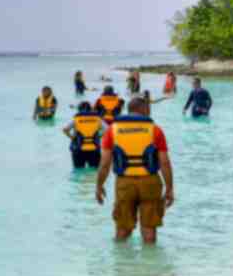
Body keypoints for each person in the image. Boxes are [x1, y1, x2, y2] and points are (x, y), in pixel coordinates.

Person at [96, 96, 173, 243]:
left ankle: (121, 264)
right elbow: (165, 163)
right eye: (149, 110)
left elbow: (105, 163)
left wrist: (99, 185)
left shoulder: (112, 130)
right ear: (144, 110)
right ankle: (150, 265)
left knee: (122, 229)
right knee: (149, 230)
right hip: (150, 182)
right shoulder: (155, 130)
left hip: (124, 183)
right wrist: (169, 188)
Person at [65, 102, 106, 170]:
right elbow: (108, 129)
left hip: (78, 150)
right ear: (91, 110)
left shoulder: (76, 119)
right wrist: (100, 136)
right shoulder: (98, 119)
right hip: (94, 150)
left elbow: (65, 129)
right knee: (94, 171)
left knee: (78, 171)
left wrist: (72, 137)